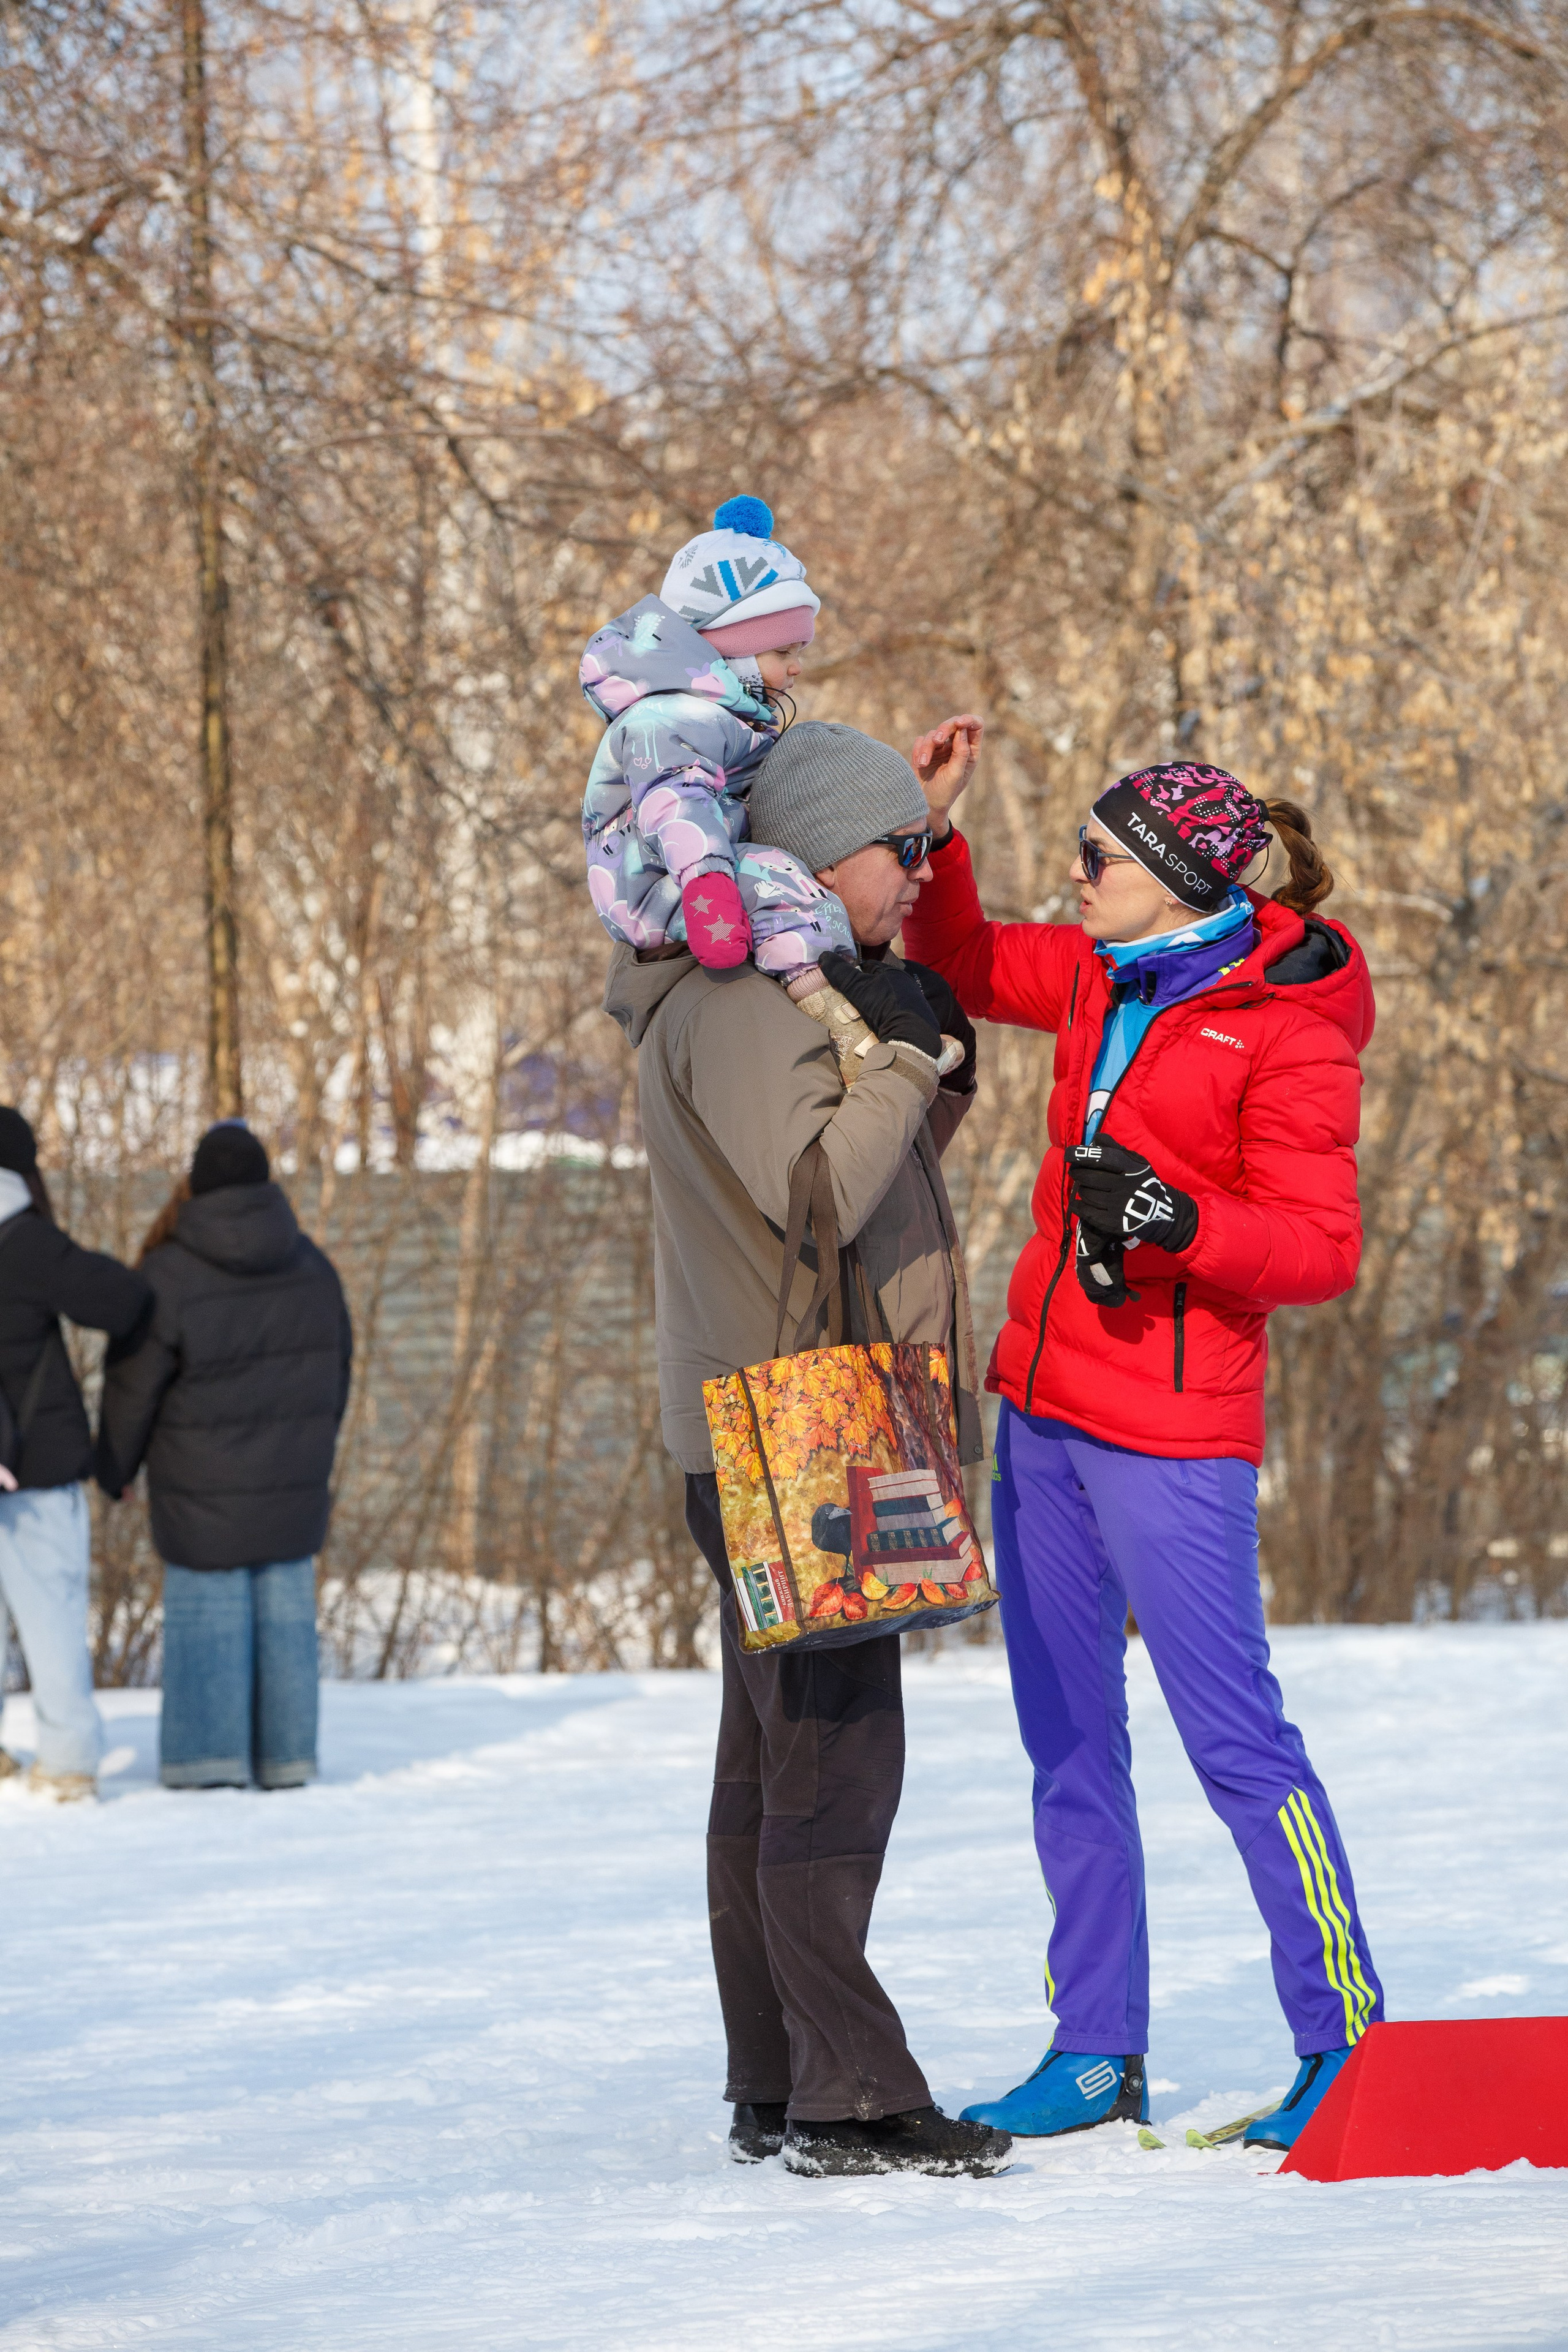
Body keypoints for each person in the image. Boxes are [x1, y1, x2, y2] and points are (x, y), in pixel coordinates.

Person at [902, 756, 1383, 2154]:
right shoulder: (1098, 970)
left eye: (1095, 855)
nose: (1075, 871)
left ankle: (1340, 2039)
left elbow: (1319, 1249)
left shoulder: (1285, 1024)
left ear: (1176, 873)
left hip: (1173, 1429)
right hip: (1041, 1407)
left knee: (1233, 1739)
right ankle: (1094, 2045)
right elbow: (966, 955)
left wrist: (1177, 1218)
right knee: (1064, 1739)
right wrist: (934, 836)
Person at [605, 717, 1010, 2180]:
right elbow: (821, 1190)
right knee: (831, 1757)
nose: (913, 873)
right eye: (897, 850)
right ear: (820, 852)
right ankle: (850, 2091)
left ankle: (777, 2072)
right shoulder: (734, 1000)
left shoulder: (756, 988)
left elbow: (870, 1159)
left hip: (770, 1417)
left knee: (769, 1757)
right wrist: (901, 1053)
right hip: (800, 1426)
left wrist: (907, 1044)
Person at [95, 1122, 352, 1792]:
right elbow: (339, 1374)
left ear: (196, 1182)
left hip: (198, 1489)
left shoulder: (168, 1272)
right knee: (288, 1621)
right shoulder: (312, 1264)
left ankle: (208, 1767)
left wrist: (114, 1468)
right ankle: (287, 1761)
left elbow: (132, 1385)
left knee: (208, 1613)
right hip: (293, 1484)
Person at [581, 493, 856, 977]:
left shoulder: (720, 717)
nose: (797, 666)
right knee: (786, 889)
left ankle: (845, 993)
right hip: (657, 888)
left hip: (698, 878)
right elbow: (678, 804)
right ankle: (828, 1006)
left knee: (816, 891)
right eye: (783, 650)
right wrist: (710, 895)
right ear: (734, 653)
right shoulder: (665, 719)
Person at [0, 1108, 151, 1799]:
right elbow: (124, 1300)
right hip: (36, 1464)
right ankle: (65, 1761)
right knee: (51, 1609)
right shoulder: (25, 1241)